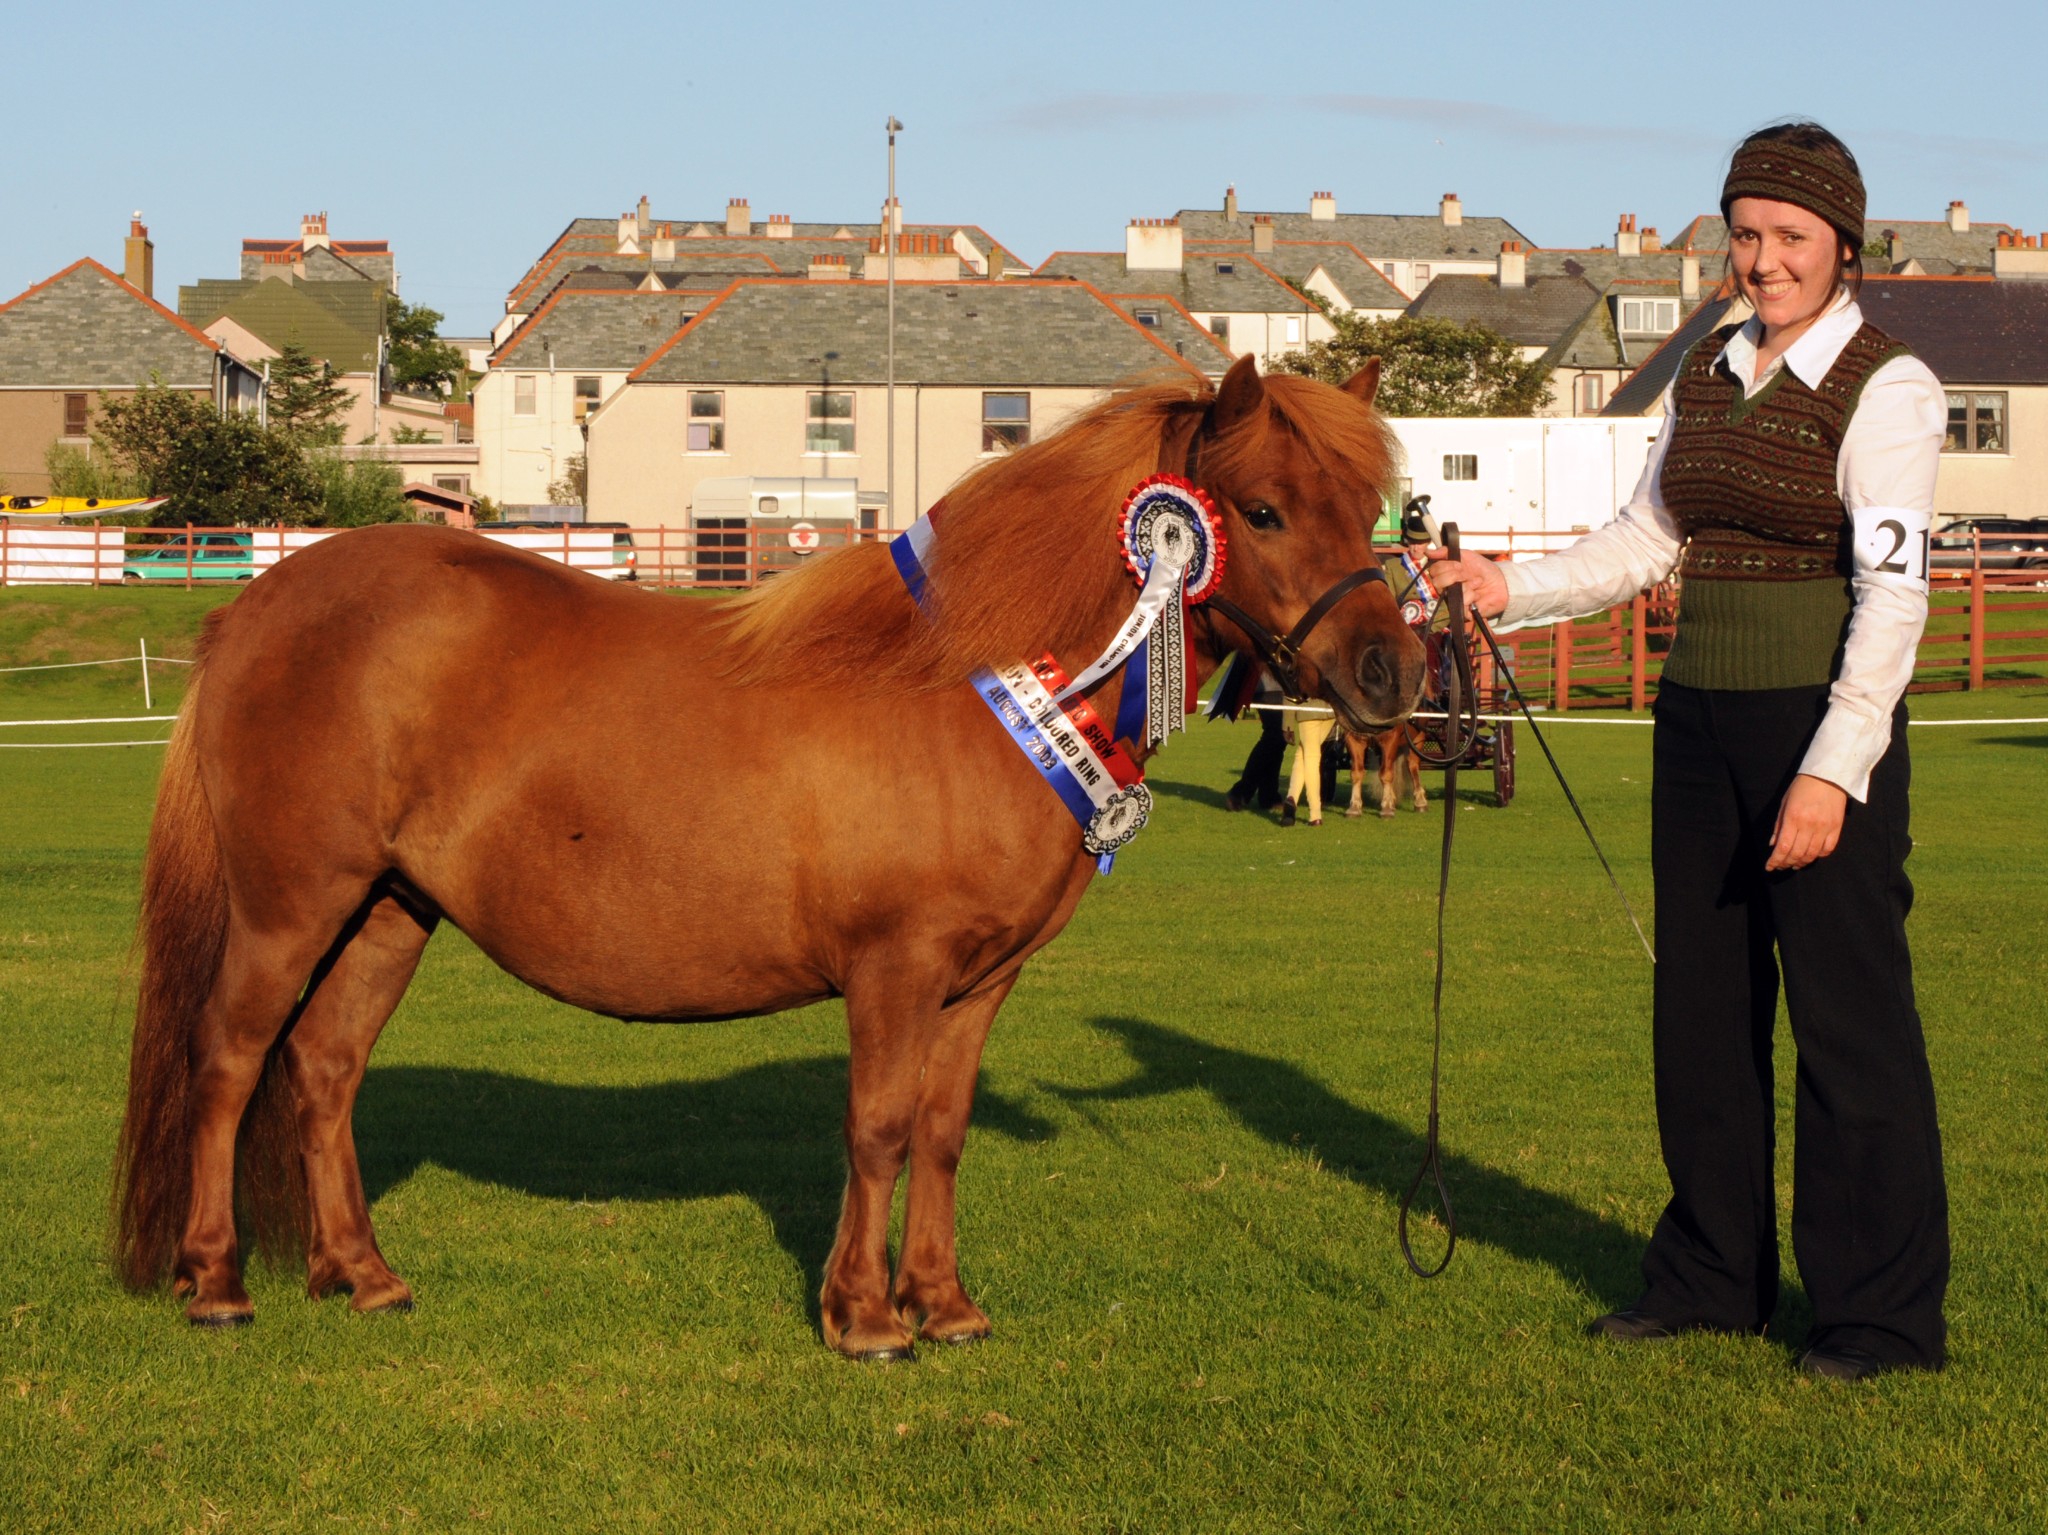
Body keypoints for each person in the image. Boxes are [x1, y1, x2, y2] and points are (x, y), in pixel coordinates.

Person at [1428, 122, 1948, 1381]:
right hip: (1698, 727)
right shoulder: (1709, 370)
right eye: (1746, 233)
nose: (1763, 260)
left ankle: (1876, 1318)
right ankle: (1711, 1278)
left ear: (1842, 246)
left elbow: (1892, 599)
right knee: (1701, 1021)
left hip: (1814, 726)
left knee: (1846, 1026)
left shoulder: (1891, 386)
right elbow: (1640, 539)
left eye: (1789, 238)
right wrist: (1510, 586)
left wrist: (1831, 769)